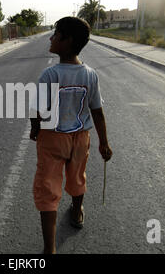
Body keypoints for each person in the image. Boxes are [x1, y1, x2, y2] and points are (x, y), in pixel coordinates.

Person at [30, 17, 112, 254]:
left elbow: (38, 110)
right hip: (80, 138)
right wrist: (104, 143)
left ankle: (50, 249)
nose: (51, 38)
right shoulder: (90, 74)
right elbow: (97, 112)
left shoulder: (49, 75)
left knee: (48, 187)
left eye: (56, 34)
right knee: (77, 177)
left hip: (52, 138)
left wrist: (35, 129)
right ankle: (77, 212)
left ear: (68, 41)